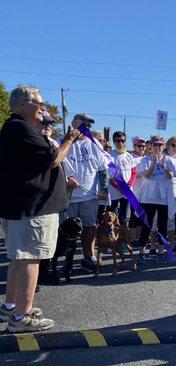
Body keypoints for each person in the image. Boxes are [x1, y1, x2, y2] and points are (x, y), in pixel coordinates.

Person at [0, 85, 80, 332]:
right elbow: (52, 158)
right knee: (30, 259)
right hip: (32, 209)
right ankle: (21, 317)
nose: (43, 108)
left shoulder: (17, 129)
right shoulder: (20, 129)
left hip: (25, 207)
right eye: (39, 104)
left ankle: (12, 306)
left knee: (20, 257)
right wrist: (69, 139)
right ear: (23, 104)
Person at [65, 114, 110, 271]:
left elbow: (103, 168)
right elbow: (56, 162)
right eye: (82, 124)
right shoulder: (63, 140)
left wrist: (104, 189)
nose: (86, 128)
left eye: (88, 126)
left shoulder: (94, 143)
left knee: (89, 228)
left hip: (89, 195)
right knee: (67, 231)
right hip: (69, 195)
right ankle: (66, 262)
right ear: (74, 123)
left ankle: (88, 257)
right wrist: (67, 177)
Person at [137, 135, 176, 264]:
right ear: (150, 146)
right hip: (148, 197)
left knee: (162, 226)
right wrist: (153, 163)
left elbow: (171, 176)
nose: (158, 147)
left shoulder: (169, 159)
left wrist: (164, 166)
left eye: (160, 144)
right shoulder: (145, 160)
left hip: (163, 198)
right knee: (146, 225)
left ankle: (160, 252)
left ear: (163, 146)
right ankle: (142, 252)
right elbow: (146, 176)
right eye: (155, 144)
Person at [108, 131, 136, 225]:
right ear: (114, 142)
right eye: (118, 141)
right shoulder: (109, 156)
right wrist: (119, 186)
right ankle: (111, 238)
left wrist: (129, 184)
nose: (120, 143)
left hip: (127, 190)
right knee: (112, 215)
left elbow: (134, 172)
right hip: (114, 191)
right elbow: (110, 175)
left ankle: (122, 237)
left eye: (122, 141)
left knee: (123, 216)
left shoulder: (129, 156)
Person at [165, 136, 176, 252]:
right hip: (163, 192)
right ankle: (155, 245)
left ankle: (172, 245)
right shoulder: (164, 157)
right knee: (160, 220)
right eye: (173, 145)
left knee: (172, 218)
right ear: (168, 145)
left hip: (175, 192)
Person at [128, 137, 147, 244]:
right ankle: (132, 238)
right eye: (139, 146)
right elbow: (136, 173)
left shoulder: (146, 158)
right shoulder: (131, 158)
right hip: (133, 192)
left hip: (145, 192)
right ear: (134, 146)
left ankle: (139, 237)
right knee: (133, 216)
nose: (142, 148)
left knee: (142, 216)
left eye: (144, 146)